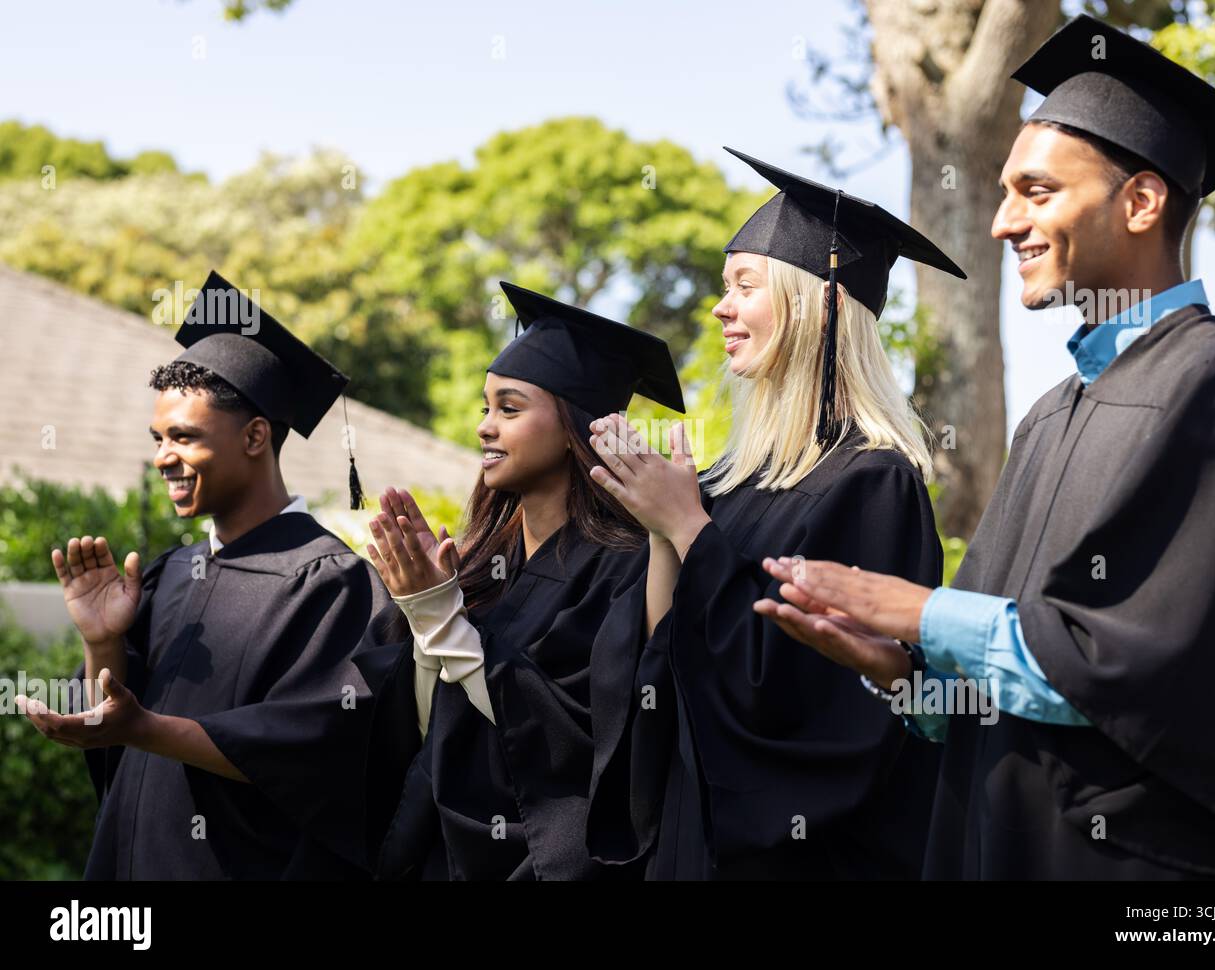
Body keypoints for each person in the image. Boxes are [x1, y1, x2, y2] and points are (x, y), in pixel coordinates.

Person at [761, 15, 1215, 879]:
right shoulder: (1050, 413)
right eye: (1005, 190)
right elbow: (1005, 681)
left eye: (1037, 192)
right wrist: (903, 674)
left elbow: (1155, 678)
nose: (1002, 222)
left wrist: (917, 612)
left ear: (1141, 200)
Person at [584, 148, 964, 879]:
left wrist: (693, 530)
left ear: (818, 300)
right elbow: (664, 660)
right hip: (691, 846)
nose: (721, 308)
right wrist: (668, 523)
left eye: (745, 286)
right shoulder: (733, 482)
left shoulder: (875, 485)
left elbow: (812, 707)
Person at [17, 271, 386, 879]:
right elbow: (110, 714)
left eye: (184, 437)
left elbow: (312, 751)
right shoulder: (172, 573)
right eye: (158, 438)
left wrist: (145, 727)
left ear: (255, 437)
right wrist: (101, 639)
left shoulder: (330, 583)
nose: (164, 458)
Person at [352, 281, 685, 880]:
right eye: (485, 408)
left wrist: (442, 619)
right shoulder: (480, 563)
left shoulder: (625, 568)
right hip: (449, 852)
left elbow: (574, 741)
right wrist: (427, 609)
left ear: (573, 429)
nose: (484, 426)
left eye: (509, 408)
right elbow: (431, 724)